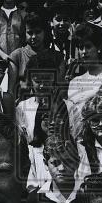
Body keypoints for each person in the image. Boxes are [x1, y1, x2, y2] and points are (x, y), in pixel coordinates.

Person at [15, 51, 82, 188]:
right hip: (35, 167)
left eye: (46, 80)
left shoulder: (69, 107)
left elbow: (77, 141)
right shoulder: (23, 108)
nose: (41, 86)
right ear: (30, 79)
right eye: (37, 80)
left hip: (62, 166)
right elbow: (21, 142)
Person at [24, 132, 83, 203]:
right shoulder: (34, 200)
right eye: (55, 163)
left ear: (77, 162)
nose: (62, 168)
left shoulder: (86, 196)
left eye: (68, 161)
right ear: (46, 164)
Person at [65, 22, 102, 111]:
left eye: (88, 46)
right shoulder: (74, 82)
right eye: (81, 47)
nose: (84, 51)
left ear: (99, 47)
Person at [6, 12, 60, 99]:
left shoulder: (57, 57)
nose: (34, 36)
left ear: (45, 32)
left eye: (38, 32)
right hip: (22, 107)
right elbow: (11, 91)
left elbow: (60, 90)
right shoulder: (17, 56)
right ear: (24, 33)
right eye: (30, 33)